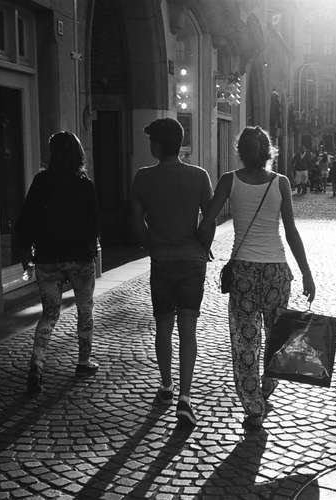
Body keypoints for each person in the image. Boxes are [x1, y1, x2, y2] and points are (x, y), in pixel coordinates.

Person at [198, 126, 316, 431]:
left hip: (244, 273)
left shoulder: (229, 180)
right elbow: (291, 232)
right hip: (276, 270)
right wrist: (306, 273)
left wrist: (202, 249)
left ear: (240, 151)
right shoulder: (281, 182)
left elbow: (208, 220)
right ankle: (267, 386)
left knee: (246, 341)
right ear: (267, 152)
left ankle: (253, 407)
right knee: (277, 337)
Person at [131, 118, 213, 427]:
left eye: (151, 140)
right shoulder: (199, 176)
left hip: (162, 261)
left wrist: (150, 243)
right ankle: (185, 398)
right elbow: (209, 219)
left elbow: (136, 220)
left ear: (157, 144)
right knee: (188, 328)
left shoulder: (144, 177)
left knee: (163, 326)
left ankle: (166, 386)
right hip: (192, 261)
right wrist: (202, 244)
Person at [15, 131, 100, 393]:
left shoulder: (41, 181)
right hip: (79, 257)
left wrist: (24, 248)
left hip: (48, 257)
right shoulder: (84, 184)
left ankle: (37, 365)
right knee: (85, 308)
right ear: (78, 154)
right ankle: (83, 361)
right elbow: (93, 223)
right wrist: (92, 248)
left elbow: (27, 216)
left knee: (49, 313)